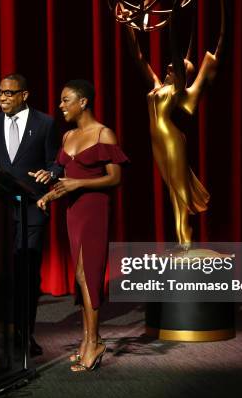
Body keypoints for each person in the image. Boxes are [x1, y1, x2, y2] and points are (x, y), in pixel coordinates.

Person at [36, 80, 129, 371]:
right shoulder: (67, 136)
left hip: (94, 210)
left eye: (66, 100)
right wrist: (49, 196)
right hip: (73, 213)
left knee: (90, 275)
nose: (60, 106)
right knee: (79, 275)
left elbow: (115, 178)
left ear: (83, 102)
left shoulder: (103, 134)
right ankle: (89, 338)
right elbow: (66, 180)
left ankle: (93, 343)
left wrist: (79, 183)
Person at [118, 0, 225, 249]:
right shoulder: (157, 86)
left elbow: (177, 53)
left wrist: (174, 19)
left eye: (177, 66)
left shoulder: (179, 92)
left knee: (180, 190)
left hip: (172, 140)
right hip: (157, 141)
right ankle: (181, 240)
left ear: (182, 73)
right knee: (171, 190)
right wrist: (128, 26)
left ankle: (186, 241)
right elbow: (138, 56)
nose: (168, 65)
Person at [0, 73, 61, 356]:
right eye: (0, 92)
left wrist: (51, 174)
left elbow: (56, 163)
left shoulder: (45, 123)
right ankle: (0, 333)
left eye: (9, 93)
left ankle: (26, 334)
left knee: (26, 274)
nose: (3, 97)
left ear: (24, 95)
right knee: (1, 276)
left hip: (32, 209)